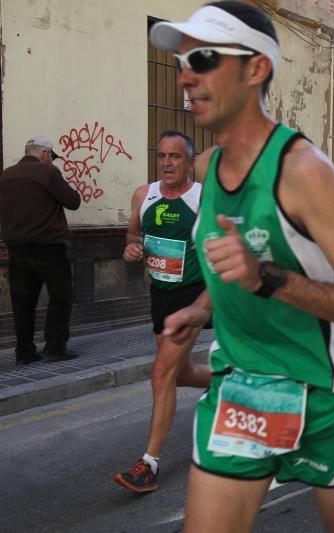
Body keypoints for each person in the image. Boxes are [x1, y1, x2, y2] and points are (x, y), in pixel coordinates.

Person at [149, 3, 334, 532]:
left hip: (321, 393)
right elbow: (231, 260)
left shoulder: (302, 171)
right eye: (183, 63)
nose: (187, 76)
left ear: (256, 69)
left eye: (205, 59)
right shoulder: (207, 168)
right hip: (240, 388)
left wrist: (266, 277)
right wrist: (200, 309)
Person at [113, 131, 212, 493]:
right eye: (162, 156)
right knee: (179, 373)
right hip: (161, 294)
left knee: (161, 373)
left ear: (190, 162)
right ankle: (229, 382)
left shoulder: (203, 198)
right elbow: (133, 236)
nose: (167, 163)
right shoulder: (144, 195)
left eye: (175, 156)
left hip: (194, 294)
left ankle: (149, 463)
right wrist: (132, 249)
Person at [0, 136, 80, 364]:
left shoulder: (6, 175)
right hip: (48, 247)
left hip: (17, 247)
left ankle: (24, 351)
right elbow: (73, 201)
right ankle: (55, 347)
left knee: (23, 302)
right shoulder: (48, 173)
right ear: (45, 153)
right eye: (52, 156)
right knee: (61, 297)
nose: (52, 160)